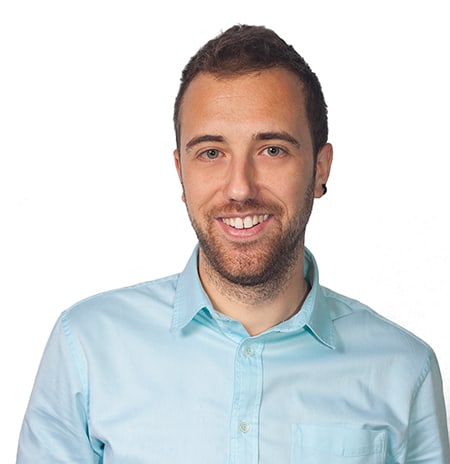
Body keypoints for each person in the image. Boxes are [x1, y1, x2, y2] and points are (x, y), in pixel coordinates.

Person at [17, 25, 449, 463]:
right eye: (211, 152)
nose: (240, 188)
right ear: (181, 172)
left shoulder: (403, 371)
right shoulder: (88, 348)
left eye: (272, 150)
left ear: (320, 168)